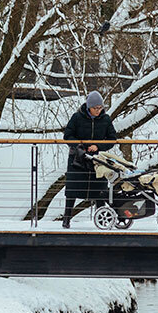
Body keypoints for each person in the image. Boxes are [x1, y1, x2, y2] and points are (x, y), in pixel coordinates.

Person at [61, 91, 118, 228]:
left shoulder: (106, 119)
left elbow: (112, 139)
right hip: (78, 158)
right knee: (73, 188)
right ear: (88, 107)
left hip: (97, 159)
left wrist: (97, 146)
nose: (98, 111)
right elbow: (68, 136)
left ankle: (102, 220)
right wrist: (80, 145)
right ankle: (66, 218)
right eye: (95, 108)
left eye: (100, 108)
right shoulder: (77, 117)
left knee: (99, 189)